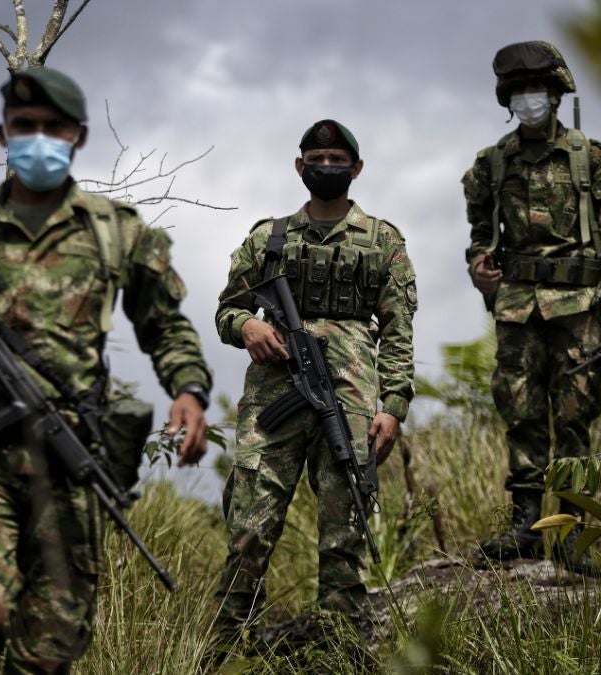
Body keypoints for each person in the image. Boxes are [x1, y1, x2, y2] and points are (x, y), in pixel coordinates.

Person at [0, 66, 213, 673]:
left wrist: (187, 389)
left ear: (78, 135)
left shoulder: (116, 234)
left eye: (52, 126)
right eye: (24, 125)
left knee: (51, 649)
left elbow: (164, 325)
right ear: (3, 133)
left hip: (71, 460)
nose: (37, 137)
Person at [213, 119, 418, 641]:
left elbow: (398, 330)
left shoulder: (383, 240)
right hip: (273, 401)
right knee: (249, 531)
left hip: (347, 404)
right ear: (299, 166)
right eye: (317, 160)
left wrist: (392, 407)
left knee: (344, 534)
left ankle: (341, 649)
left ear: (357, 168)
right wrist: (249, 326)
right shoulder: (269, 238)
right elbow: (226, 312)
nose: (327, 168)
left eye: (337, 160)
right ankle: (224, 647)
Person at [461, 41, 601, 574]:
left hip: (579, 309)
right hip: (517, 308)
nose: (528, 99)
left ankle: (570, 535)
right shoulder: (490, 164)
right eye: (518, 91)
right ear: (506, 98)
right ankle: (525, 528)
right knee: (520, 414)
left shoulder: (592, 158)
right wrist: (479, 269)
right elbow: (477, 237)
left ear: (557, 93)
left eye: (536, 89)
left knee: (575, 418)